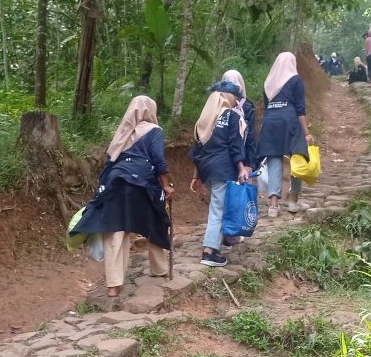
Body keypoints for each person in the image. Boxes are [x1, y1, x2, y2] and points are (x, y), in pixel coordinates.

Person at [72, 96, 173, 297]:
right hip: (142, 184)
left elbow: (110, 160)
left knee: (116, 230)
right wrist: (166, 185)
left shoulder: (123, 133)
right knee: (154, 221)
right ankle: (160, 269)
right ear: (151, 111)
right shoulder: (154, 130)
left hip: (115, 182)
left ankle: (113, 285)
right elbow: (158, 159)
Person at [190, 85, 250, 267]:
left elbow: (197, 149)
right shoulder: (232, 116)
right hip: (223, 169)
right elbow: (234, 145)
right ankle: (209, 252)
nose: (237, 100)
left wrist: (196, 176)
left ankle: (222, 240)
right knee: (218, 210)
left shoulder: (205, 120)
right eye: (235, 96)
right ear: (228, 97)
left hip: (207, 170)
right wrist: (241, 168)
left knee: (219, 207)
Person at [257, 52, 315, 217]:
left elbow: (267, 105)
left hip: (270, 123)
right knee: (298, 157)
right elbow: (300, 109)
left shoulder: (268, 82)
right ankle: (293, 199)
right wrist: (307, 132)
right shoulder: (295, 80)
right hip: (289, 121)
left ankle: (273, 205)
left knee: (274, 160)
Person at [221, 70, 258, 171]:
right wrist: (251, 163)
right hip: (243, 157)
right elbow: (250, 137)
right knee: (242, 186)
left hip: (220, 158)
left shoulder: (217, 104)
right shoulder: (247, 106)